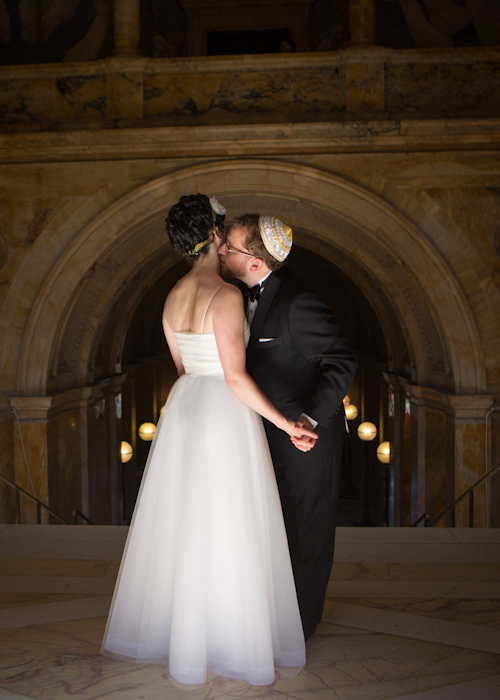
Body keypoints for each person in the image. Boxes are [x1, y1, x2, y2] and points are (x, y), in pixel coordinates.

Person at [101, 195, 315, 687]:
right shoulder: (226, 295)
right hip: (221, 413)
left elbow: (183, 367)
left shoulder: (172, 294)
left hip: (184, 407)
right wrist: (287, 425)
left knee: (187, 521)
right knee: (229, 518)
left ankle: (188, 636)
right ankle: (229, 635)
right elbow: (235, 378)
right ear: (216, 237)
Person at [219, 214, 357, 639]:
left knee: (309, 531)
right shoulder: (239, 295)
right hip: (266, 438)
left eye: (231, 247)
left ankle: (303, 624)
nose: (222, 250)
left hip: (305, 442)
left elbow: (343, 360)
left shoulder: (298, 301)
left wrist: (310, 418)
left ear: (257, 262)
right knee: (278, 528)